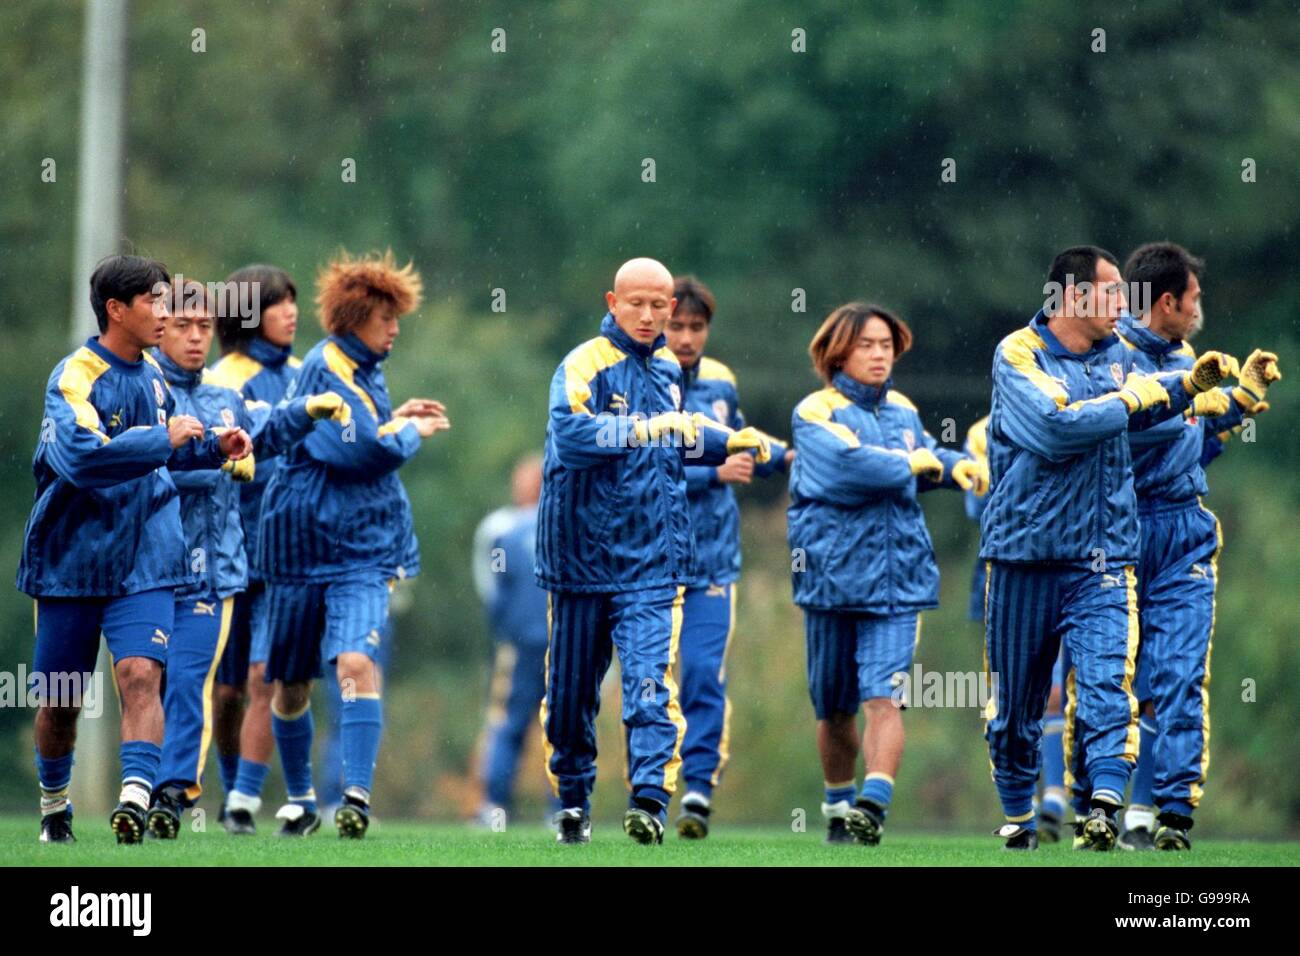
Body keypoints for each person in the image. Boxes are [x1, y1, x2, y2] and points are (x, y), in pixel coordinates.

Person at [980, 245, 1235, 851]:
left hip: (1103, 557)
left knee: (1105, 688)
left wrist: (1194, 392)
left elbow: (1164, 420)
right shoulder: (1018, 352)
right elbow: (1054, 427)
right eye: (1113, 292)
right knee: (1014, 710)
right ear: (1072, 297)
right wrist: (1135, 401)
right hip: (1024, 554)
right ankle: (1019, 813)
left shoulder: (1122, 355)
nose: (1125, 305)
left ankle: (1104, 806)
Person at [535, 257, 771, 845]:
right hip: (578, 561)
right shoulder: (582, 363)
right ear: (612, 302)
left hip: (651, 562)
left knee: (649, 682)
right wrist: (638, 429)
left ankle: (649, 799)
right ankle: (572, 798)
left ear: (671, 308)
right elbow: (571, 436)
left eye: (658, 305)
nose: (648, 315)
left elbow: (680, 434)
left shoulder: (668, 365)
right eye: (636, 303)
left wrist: (727, 442)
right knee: (568, 700)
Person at [17, 255, 250, 844]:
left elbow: (168, 454)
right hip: (73, 561)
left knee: (142, 673)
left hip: (146, 556)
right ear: (117, 309)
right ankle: (54, 808)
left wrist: (213, 447)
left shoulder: (154, 376)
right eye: (155, 301)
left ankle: (134, 799)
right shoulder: (74, 376)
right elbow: (83, 457)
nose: (168, 314)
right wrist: (160, 438)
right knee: (61, 706)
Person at [145, 278, 350, 838]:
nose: (195, 338)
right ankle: (141, 788)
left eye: (202, 327)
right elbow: (132, 464)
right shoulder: (148, 389)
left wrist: (307, 410)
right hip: (150, 567)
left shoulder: (227, 394)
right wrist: (213, 462)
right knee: (170, 684)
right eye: (184, 326)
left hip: (235, 566)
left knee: (235, 680)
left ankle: (206, 797)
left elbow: (268, 429)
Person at [259, 250, 450, 838]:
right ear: (355, 316)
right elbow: (359, 450)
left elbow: (368, 430)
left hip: (363, 550)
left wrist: (397, 419)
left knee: (355, 660)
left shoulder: (368, 367)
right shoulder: (326, 367)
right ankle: (299, 799)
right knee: (290, 684)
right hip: (300, 548)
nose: (395, 328)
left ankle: (356, 799)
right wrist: (409, 432)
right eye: (386, 318)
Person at [788, 302, 986, 846]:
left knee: (885, 698)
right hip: (830, 580)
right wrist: (910, 466)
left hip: (899, 581)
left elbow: (923, 454)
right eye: (866, 345)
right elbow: (848, 467)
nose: (879, 355)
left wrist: (952, 468)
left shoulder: (901, 409)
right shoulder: (813, 412)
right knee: (833, 709)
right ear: (837, 352)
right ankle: (838, 805)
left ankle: (873, 805)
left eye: (886, 345)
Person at [1114, 242, 1280, 850]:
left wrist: (1239, 399)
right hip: (1122, 531)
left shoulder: (1189, 354)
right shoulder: (1110, 358)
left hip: (1185, 531)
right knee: (1120, 682)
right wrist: (1185, 394)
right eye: (1194, 298)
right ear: (1166, 301)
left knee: (1180, 673)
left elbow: (1198, 434)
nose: (1199, 308)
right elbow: (1121, 433)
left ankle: (1173, 813)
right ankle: (1107, 807)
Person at [659, 275, 792, 838]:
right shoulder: (640, 381)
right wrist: (710, 474)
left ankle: (696, 790)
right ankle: (647, 786)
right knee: (651, 682)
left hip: (713, 560)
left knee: (703, 676)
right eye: (677, 326)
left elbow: (737, 442)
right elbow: (642, 470)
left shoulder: (720, 382)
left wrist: (787, 456)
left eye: (697, 327)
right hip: (650, 562)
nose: (687, 337)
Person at [209, 264, 305, 834]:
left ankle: (244, 801)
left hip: (287, 553)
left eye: (293, 301)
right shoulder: (223, 378)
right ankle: (229, 787)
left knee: (266, 676)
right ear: (248, 315)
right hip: (231, 552)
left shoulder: (303, 373)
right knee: (225, 692)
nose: (291, 312)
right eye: (276, 303)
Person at [471, 455, 552, 826]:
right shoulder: (564, 529)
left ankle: (495, 809)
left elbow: (498, 588)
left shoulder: (504, 537)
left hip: (518, 646)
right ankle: (564, 810)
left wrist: (501, 628)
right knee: (563, 727)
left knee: (506, 726)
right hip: (561, 645)